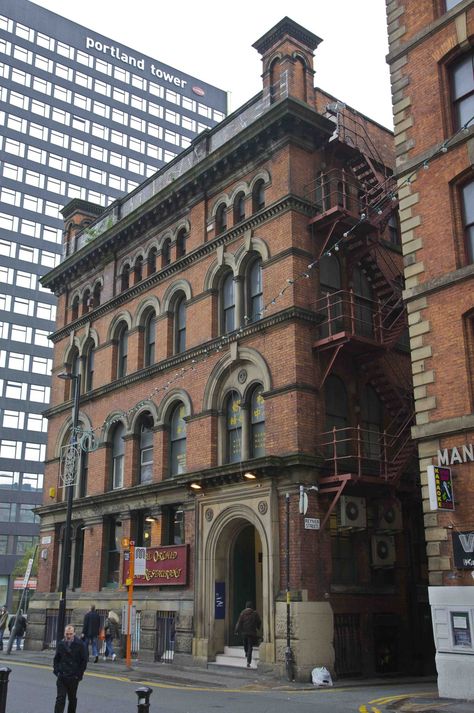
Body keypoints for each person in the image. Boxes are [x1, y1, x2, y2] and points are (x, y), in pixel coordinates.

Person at [53, 624, 87, 713]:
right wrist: (57, 672)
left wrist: (78, 676)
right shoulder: (61, 644)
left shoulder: (80, 645)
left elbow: (84, 661)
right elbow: (56, 659)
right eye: (67, 634)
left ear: (74, 633)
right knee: (60, 699)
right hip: (62, 677)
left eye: (70, 634)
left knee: (72, 699)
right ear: (64, 633)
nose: (68, 636)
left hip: (73, 677)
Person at [234, 601, 261, 668]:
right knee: (250, 647)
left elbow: (239, 622)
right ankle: (248, 661)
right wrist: (258, 627)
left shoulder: (242, 613)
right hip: (252, 633)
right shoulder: (255, 614)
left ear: (246, 606)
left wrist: (236, 630)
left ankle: (246, 653)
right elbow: (259, 621)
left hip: (244, 632)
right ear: (252, 606)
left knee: (245, 644)